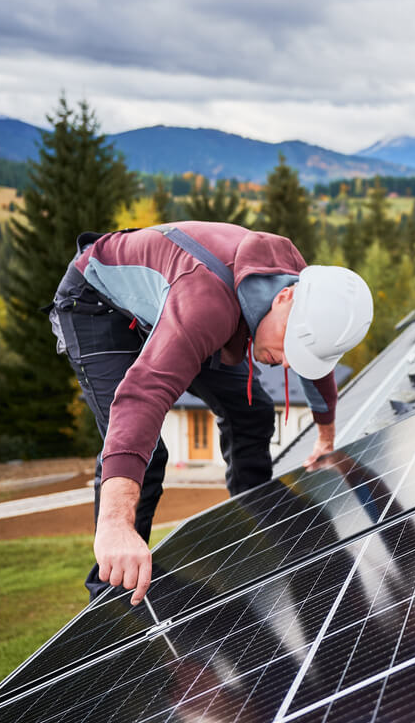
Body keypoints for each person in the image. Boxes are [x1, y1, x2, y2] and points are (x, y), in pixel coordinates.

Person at [49, 221, 373, 604]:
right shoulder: (206, 303)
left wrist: (326, 435)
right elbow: (142, 394)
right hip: (97, 306)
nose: (287, 363)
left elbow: (312, 363)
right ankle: (113, 586)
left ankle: (260, 509)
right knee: (148, 455)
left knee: (251, 410)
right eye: (291, 345)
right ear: (284, 297)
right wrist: (116, 522)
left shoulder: (303, 290)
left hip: (178, 304)